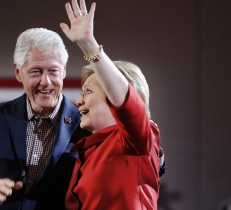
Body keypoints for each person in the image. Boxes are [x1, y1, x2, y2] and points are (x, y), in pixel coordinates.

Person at [0, 27, 90, 210]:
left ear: (64, 71)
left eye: (53, 71)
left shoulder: (84, 125)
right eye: (36, 72)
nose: (46, 81)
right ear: (18, 72)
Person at [59, 0, 162, 209]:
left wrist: (89, 45)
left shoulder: (136, 139)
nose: (78, 101)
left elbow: (127, 102)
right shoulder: (88, 150)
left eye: (88, 91)